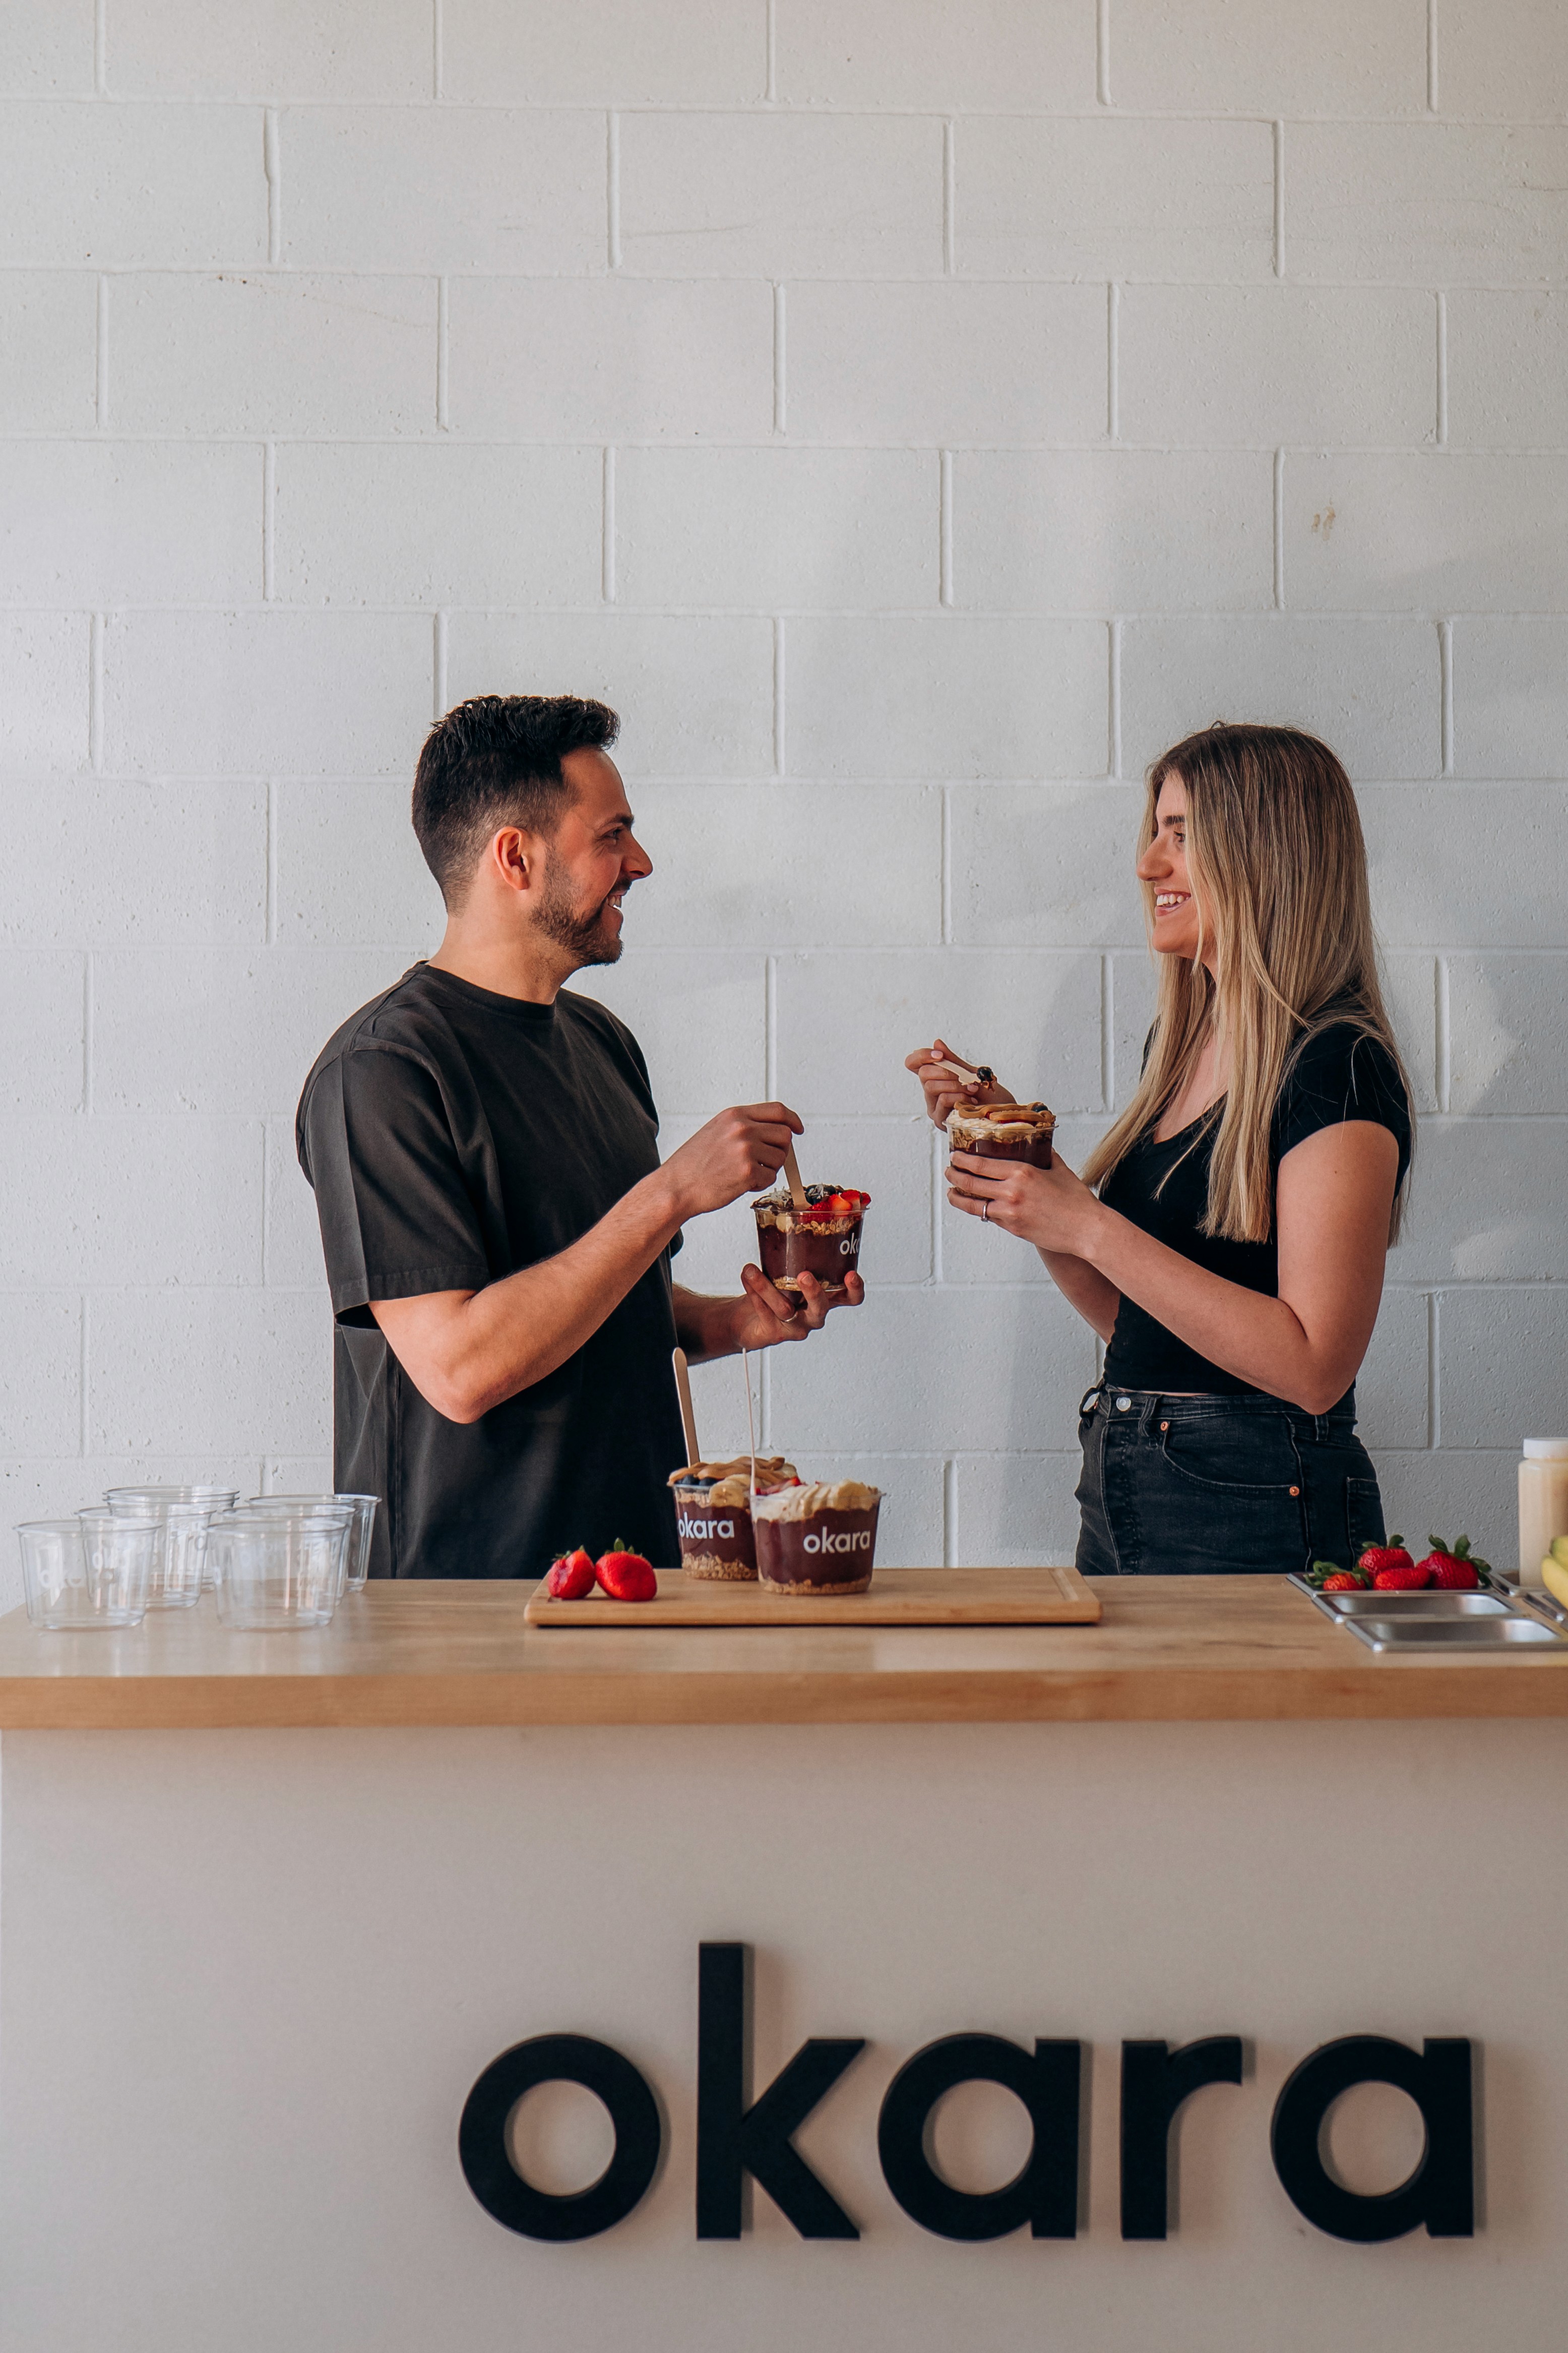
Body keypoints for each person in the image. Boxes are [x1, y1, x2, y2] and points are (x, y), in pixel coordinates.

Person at [296, 694, 861, 1579]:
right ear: (514, 858)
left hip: (641, 1578)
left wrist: (735, 1322)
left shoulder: (603, 1043)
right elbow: (462, 1368)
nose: (641, 861)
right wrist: (672, 1192)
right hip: (467, 1613)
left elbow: (614, 1298)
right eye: (612, 836)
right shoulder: (385, 1073)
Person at [908, 723, 1413, 1578]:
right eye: (1156, 832)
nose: (1148, 864)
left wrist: (1090, 1224)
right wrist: (1030, 1174)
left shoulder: (1337, 1065)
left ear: (1266, 854)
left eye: (1182, 835)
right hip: (1128, 1465)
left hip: (1251, 1492)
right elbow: (1133, 1319)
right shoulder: (1181, 1047)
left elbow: (1317, 1366)